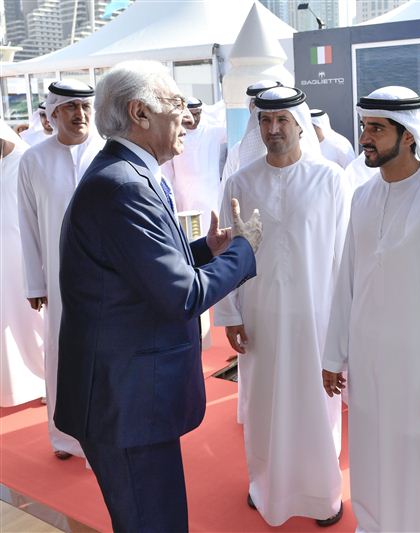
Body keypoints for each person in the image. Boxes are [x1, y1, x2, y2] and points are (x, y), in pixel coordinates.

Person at [54, 60, 261, 532]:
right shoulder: (124, 185)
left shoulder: (126, 173)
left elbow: (134, 270)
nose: (187, 116)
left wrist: (206, 249)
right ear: (139, 114)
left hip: (129, 395)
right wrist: (246, 251)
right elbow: (180, 296)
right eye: (175, 104)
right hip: (126, 401)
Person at [322, 86, 420, 532]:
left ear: (408, 134)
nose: (365, 137)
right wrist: (333, 356)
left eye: (377, 128)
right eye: (364, 127)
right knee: (372, 460)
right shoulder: (363, 196)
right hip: (371, 366)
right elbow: (345, 279)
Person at [215, 85, 346, 527]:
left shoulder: (330, 179)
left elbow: (344, 256)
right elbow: (227, 252)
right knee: (263, 404)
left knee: (316, 404)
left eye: (282, 120)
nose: (273, 129)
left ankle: (321, 494)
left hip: (317, 315)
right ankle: (265, 485)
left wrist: (345, 326)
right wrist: (230, 314)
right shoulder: (240, 181)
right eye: (265, 121)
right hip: (261, 315)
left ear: (299, 125)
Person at [17, 80, 104, 460]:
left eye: (85, 107)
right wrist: (35, 281)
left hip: (107, 277)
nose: (80, 114)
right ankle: (65, 436)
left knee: (105, 351)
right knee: (62, 351)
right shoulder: (33, 159)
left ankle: (104, 429)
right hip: (58, 277)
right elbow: (28, 223)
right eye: (70, 108)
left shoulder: (108, 153)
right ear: (53, 114)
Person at [0, 121, 46, 407]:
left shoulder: (26, 160)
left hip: (25, 260)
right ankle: (11, 387)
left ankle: (47, 380)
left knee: (35, 323)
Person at [162, 96, 227, 234]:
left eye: (198, 114)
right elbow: (166, 171)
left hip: (210, 196)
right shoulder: (174, 136)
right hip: (184, 198)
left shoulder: (212, 132)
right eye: (191, 114)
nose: (195, 118)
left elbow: (236, 132)